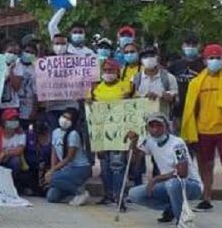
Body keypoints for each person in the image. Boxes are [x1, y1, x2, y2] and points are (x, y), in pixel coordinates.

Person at [181, 44, 222, 218]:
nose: (214, 61)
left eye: (218, 57)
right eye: (211, 58)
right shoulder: (196, 82)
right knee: (205, 167)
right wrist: (190, 130)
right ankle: (206, 199)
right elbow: (191, 109)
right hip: (203, 130)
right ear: (204, 60)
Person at [126, 112, 203, 228]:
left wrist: (156, 179)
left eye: (159, 126)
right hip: (168, 184)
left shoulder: (177, 144)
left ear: (167, 127)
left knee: (172, 184)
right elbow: (134, 162)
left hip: (191, 184)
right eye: (152, 126)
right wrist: (134, 143)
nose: (155, 130)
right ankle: (172, 207)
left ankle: (183, 220)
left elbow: (182, 172)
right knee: (134, 194)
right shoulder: (149, 141)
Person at [91, 58, 133, 204]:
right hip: (101, 132)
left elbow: (134, 108)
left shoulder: (126, 87)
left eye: (111, 70)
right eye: (106, 70)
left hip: (119, 132)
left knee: (117, 166)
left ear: (117, 71)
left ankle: (119, 196)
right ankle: (107, 195)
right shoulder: (96, 89)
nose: (108, 73)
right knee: (104, 165)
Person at [44, 108, 91, 205]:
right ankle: (71, 192)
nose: (65, 120)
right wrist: (53, 169)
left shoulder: (73, 134)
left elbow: (69, 157)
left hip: (80, 168)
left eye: (69, 119)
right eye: (64, 116)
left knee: (52, 178)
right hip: (67, 169)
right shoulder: (55, 132)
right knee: (52, 197)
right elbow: (54, 153)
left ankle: (80, 192)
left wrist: (53, 172)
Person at [168, 34, 204, 127]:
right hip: (178, 111)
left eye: (194, 45)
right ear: (182, 46)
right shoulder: (175, 65)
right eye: (188, 44)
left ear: (199, 46)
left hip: (198, 111)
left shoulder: (204, 66)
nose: (190, 47)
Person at [132, 46, 179, 115]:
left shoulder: (169, 77)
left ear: (158, 58)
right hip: (141, 117)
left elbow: (176, 100)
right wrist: (144, 98)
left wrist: (170, 98)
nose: (149, 58)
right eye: (145, 56)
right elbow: (131, 100)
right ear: (140, 61)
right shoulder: (135, 79)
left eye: (152, 55)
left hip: (163, 117)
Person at [0, 108, 28, 194]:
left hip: (10, 161)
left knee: (15, 161)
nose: (13, 122)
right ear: (4, 121)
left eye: (15, 120)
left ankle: (12, 186)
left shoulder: (21, 134)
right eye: (10, 120)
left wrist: (5, 153)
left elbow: (20, 150)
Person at [0, 40, 25, 120]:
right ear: (4, 52)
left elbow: (16, 87)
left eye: (15, 53)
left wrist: (11, 71)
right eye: (10, 52)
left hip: (12, 106)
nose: (12, 55)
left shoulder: (18, 66)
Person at [18, 41, 38, 127]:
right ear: (22, 51)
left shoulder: (36, 69)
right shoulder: (15, 64)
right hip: (14, 106)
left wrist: (34, 110)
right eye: (27, 51)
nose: (29, 54)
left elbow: (36, 93)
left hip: (28, 108)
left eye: (32, 53)